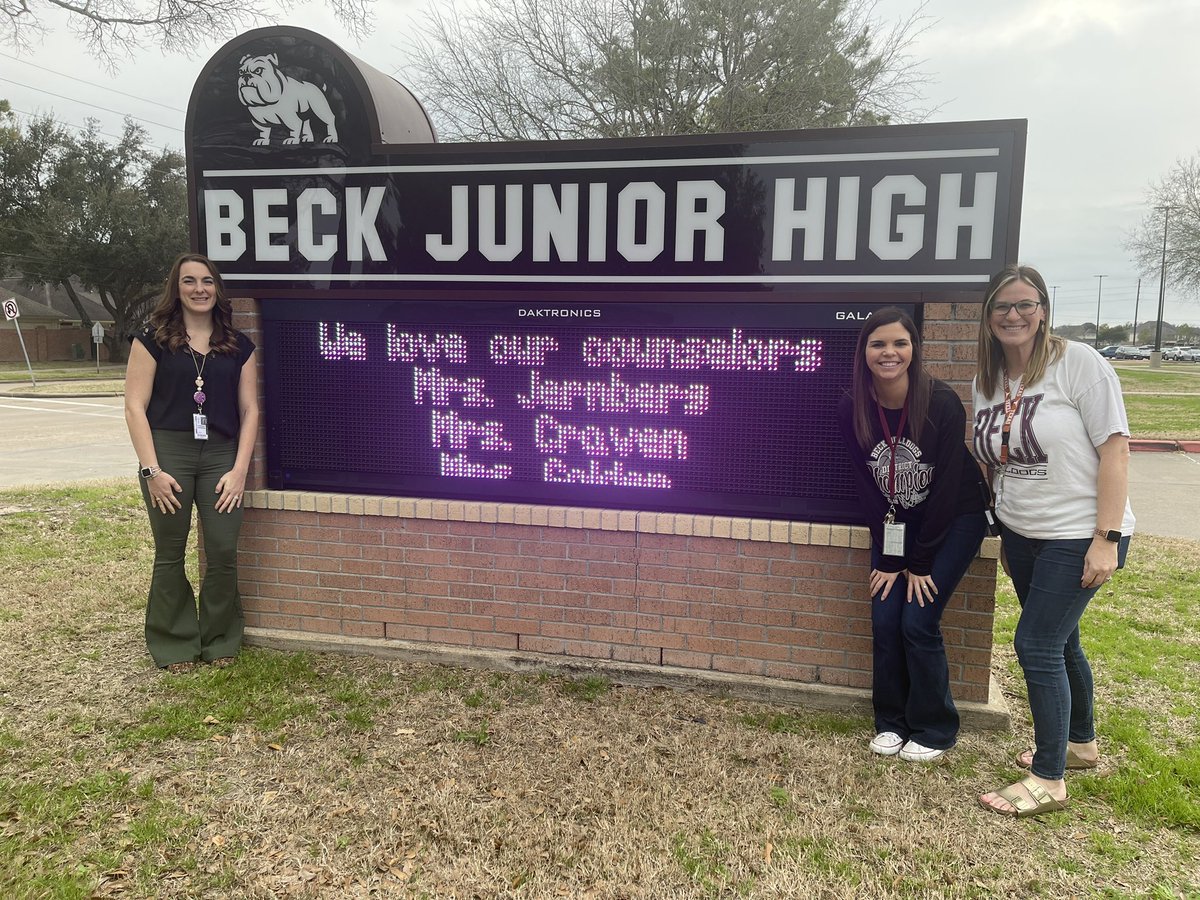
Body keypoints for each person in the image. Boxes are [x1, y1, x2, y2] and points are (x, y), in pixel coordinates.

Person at [972, 264, 1134, 818]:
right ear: (989, 316)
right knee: (1061, 642)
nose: (1013, 315)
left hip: (1078, 533)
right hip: (1023, 533)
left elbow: (1115, 450)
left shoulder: (1078, 364)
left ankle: (1049, 778)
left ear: (1042, 309)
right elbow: (993, 457)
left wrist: (1107, 538)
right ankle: (1080, 742)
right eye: (1002, 306)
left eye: (1024, 304)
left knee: (1036, 645)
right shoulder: (989, 379)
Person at [837, 307, 988, 763]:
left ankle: (935, 728)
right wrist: (888, 557)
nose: (889, 352)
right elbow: (866, 487)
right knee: (885, 620)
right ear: (864, 352)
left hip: (955, 518)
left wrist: (917, 563)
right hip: (896, 524)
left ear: (914, 350)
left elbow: (943, 491)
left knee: (917, 621)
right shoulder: (853, 405)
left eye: (900, 343)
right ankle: (891, 723)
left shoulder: (940, 401)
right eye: (878, 343)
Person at [124, 253, 259, 673]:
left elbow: (251, 411)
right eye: (189, 281)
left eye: (207, 281)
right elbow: (133, 406)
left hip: (221, 454)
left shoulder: (237, 345)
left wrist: (239, 471)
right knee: (170, 551)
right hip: (169, 453)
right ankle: (174, 642)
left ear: (217, 288)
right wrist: (152, 471)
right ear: (176, 288)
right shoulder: (153, 339)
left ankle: (220, 638)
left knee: (221, 549)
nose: (199, 288)